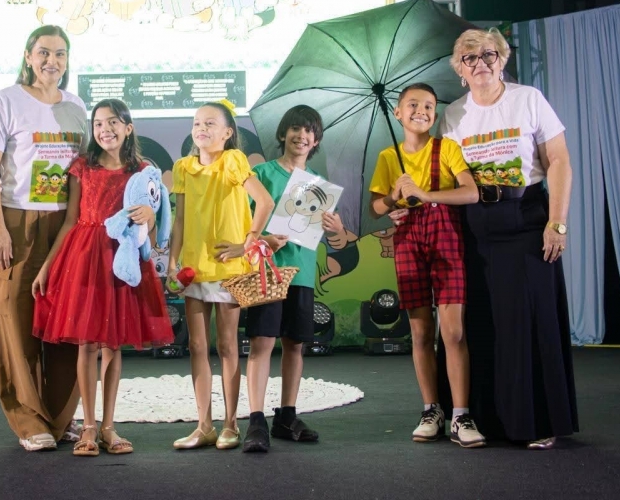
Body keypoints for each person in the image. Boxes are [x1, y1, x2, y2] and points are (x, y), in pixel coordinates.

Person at [437, 28, 578, 450]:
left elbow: (559, 161)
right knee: (483, 324)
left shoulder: (528, 98)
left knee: (529, 321)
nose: (480, 64)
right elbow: (450, 179)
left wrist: (558, 221)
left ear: (503, 59)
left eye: (488, 55)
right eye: (469, 59)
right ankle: (484, 420)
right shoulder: (453, 115)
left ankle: (536, 420)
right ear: (459, 71)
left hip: (527, 218)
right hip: (475, 226)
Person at [32, 99, 175, 456]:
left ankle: (110, 427)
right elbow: (69, 220)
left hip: (120, 259)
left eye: (113, 122)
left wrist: (149, 216)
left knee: (113, 345)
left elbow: (154, 226)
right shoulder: (83, 166)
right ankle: (89, 428)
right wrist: (48, 265)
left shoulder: (142, 171)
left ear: (128, 128)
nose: (105, 129)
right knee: (87, 344)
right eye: (98, 123)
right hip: (84, 258)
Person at [0, 25, 85, 452]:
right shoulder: (5, 101)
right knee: (14, 315)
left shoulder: (77, 107)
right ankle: (28, 419)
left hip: (65, 224)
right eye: (43, 53)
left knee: (63, 322)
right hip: (17, 220)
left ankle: (58, 419)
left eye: (60, 54)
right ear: (27, 56)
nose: (51, 62)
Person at [369, 83, 486, 448]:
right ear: (398, 113)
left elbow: (470, 192)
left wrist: (427, 196)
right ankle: (431, 409)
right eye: (413, 105)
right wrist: (394, 198)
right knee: (420, 332)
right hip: (408, 241)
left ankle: (461, 415)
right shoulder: (389, 157)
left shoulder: (446, 148)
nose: (422, 110)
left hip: (445, 234)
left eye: (429, 106)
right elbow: (376, 207)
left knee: (452, 332)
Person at [167, 100, 274, 450]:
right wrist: (172, 260)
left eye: (211, 123)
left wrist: (247, 245)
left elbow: (265, 202)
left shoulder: (233, 161)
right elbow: (180, 219)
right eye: (197, 122)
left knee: (228, 345)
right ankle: (204, 426)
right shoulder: (183, 167)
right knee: (196, 346)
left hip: (228, 270)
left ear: (228, 133)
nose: (202, 128)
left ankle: (231, 425)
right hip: (193, 269)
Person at [242, 105, 344, 453]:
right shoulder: (261, 172)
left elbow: (333, 235)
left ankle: (286, 415)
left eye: (309, 131)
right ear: (283, 134)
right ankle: (256, 420)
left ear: (316, 140)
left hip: (300, 273)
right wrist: (261, 240)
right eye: (295, 129)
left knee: (295, 344)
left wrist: (335, 227)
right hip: (266, 270)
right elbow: (241, 221)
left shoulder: (318, 186)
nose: (302, 136)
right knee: (262, 343)